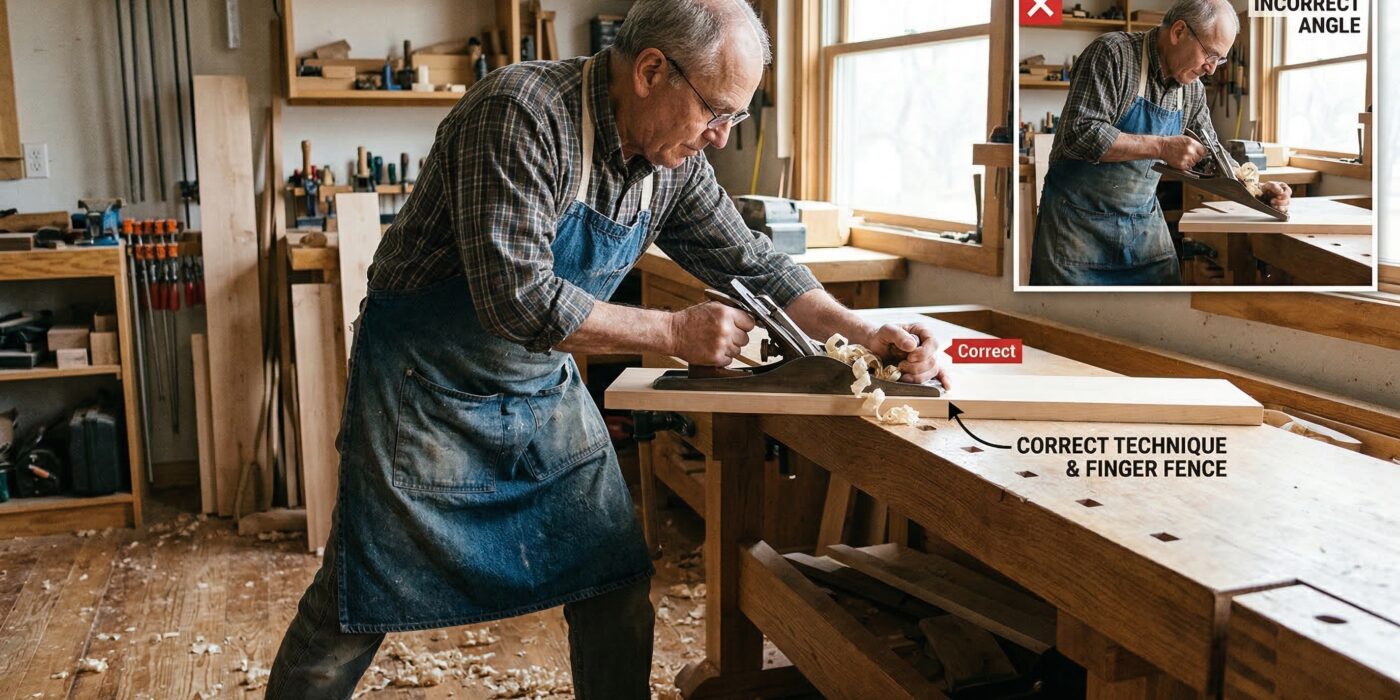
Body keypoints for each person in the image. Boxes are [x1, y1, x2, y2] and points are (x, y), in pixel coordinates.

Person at [266, 1, 949, 697]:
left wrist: (860, 331)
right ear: (652, 71)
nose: (720, 138)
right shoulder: (521, 115)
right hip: (426, 383)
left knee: (614, 585)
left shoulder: (668, 160)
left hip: (536, 382)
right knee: (359, 600)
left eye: (735, 120)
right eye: (718, 111)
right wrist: (673, 333)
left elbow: (748, 259)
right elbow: (518, 298)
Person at [1030, 0, 1291, 286]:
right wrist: (1163, 147)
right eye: (1210, 54)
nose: (1212, 69)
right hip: (1076, 231)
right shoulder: (1112, 54)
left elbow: (1211, 154)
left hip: (1142, 227)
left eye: (1220, 59)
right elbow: (1078, 134)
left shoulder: (1191, 91)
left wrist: (1255, 188)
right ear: (1179, 32)